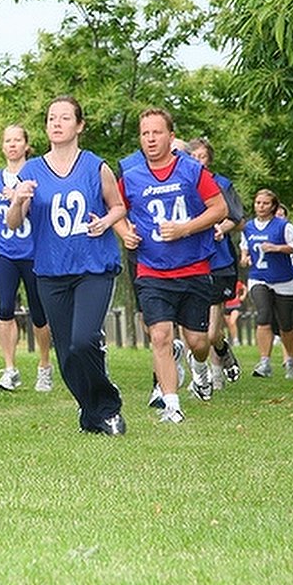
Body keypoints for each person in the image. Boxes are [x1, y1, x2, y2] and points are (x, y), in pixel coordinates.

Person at [5, 96, 126, 434]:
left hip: (93, 267)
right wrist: (18, 199)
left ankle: (108, 406)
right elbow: (15, 223)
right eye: (51, 118)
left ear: (79, 125)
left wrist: (104, 223)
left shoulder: (95, 166)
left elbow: (118, 207)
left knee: (83, 340)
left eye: (64, 118)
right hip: (50, 270)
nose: (56, 124)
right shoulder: (31, 171)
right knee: (67, 354)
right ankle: (92, 412)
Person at [115, 108, 227, 424]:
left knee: (198, 342)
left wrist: (185, 229)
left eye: (156, 132)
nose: (150, 139)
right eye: (145, 133)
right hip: (152, 270)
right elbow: (116, 210)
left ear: (171, 136)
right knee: (161, 336)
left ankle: (200, 366)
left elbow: (219, 208)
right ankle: (172, 405)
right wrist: (126, 233)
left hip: (193, 268)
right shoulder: (132, 177)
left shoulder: (191, 171)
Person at [0, 124, 53, 392]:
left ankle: (44, 366)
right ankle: (10, 368)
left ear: (27, 145)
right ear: (2, 146)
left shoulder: (37, 173)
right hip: (5, 251)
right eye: (7, 140)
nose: (12, 145)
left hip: (34, 252)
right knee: (4, 309)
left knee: (39, 313)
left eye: (17, 140)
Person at [185, 137, 244, 387]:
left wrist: (221, 227)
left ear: (209, 159)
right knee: (191, 330)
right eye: (193, 156)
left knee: (212, 333)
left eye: (202, 156)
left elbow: (237, 218)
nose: (198, 161)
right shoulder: (182, 184)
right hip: (190, 260)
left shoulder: (222, 184)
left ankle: (219, 364)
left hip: (219, 261)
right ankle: (202, 374)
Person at [240, 189, 293, 378]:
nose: (261, 206)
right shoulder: (248, 227)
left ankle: (290, 360)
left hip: (284, 279)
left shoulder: (284, 226)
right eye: (258, 203)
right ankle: (264, 362)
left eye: (265, 203)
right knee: (263, 315)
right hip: (259, 277)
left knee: (286, 324)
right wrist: (244, 258)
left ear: (273, 206)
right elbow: (245, 248)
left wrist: (276, 248)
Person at [222, 279, 247, 347]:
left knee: (232, 322)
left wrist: (243, 296)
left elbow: (244, 288)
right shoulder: (223, 283)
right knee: (229, 325)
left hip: (236, 306)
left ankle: (236, 340)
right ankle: (231, 339)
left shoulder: (236, 282)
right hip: (227, 306)